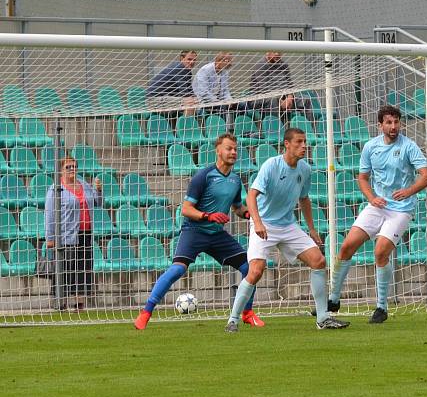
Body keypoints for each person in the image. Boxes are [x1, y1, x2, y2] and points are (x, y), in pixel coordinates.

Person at [225, 127, 349, 332]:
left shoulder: (305, 169)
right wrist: (257, 222)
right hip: (264, 223)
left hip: (288, 225)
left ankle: (323, 318)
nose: (303, 146)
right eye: (299, 142)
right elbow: (251, 196)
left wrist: (311, 228)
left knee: (318, 261)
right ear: (287, 144)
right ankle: (233, 320)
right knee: (255, 271)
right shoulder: (271, 166)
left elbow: (304, 198)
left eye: (305, 142)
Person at [134, 134, 258, 330]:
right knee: (177, 269)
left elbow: (237, 207)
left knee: (250, 269)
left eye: (235, 149)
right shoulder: (204, 176)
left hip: (217, 234)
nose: (233, 152)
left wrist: (250, 214)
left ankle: (247, 313)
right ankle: (146, 312)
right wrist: (208, 216)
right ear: (218, 151)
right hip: (194, 230)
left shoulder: (235, 180)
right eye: (228, 148)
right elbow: (186, 209)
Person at [325, 105, 427, 324]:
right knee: (346, 247)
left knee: (380, 251)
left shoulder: (409, 147)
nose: (393, 127)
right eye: (389, 123)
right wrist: (371, 197)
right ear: (380, 125)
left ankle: (381, 307)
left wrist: (408, 191)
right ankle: (333, 299)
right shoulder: (370, 147)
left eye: (396, 122)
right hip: (377, 206)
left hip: (400, 210)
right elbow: (363, 178)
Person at [44, 157, 103, 311]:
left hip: (86, 233)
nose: (72, 169)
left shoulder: (83, 184)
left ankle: (79, 303)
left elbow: (97, 203)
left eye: (74, 166)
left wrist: (98, 190)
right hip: (66, 235)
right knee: (66, 268)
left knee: (83, 267)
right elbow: (49, 214)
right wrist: (50, 238)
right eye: (68, 167)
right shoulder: (56, 189)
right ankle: (60, 302)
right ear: (61, 170)